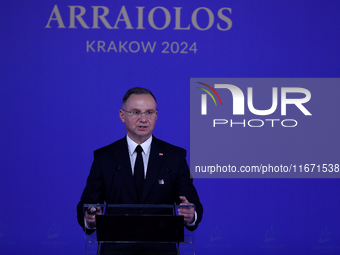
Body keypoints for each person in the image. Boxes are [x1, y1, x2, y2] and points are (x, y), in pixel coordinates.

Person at [77, 87, 203, 254]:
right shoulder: (104, 157)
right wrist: (90, 218)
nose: (143, 119)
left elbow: (193, 205)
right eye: (136, 112)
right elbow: (86, 205)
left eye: (149, 112)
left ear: (156, 115)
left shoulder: (175, 157)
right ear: (122, 115)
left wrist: (190, 214)